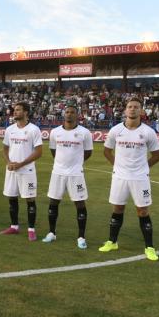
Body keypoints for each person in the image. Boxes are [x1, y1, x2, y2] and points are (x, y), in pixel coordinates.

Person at [100, 97, 159, 261]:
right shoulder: (115, 130)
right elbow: (106, 151)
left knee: (142, 210)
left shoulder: (148, 132)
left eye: (136, 107)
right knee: (118, 208)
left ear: (141, 111)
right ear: (125, 110)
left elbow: (157, 156)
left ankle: (149, 247)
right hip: (120, 177)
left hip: (140, 177)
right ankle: (112, 242)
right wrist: (117, 166)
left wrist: (143, 168)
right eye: (130, 106)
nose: (132, 109)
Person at [43, 105, 93, 249]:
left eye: (72, 112)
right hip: (58, 172)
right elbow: (53, 150)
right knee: (53, 201)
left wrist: (76, 163)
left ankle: (81, 237)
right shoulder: (55, 132)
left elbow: (88, 152)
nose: (69, 114)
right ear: (63, 114)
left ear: (77, 115)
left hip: (76, 174)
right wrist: (61, 164)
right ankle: (52, 233)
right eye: (67, 112)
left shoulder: (84, 132)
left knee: (80, 203)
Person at [0, 102, 43, 241]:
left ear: (26, 112)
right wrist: (8, 162)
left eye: (18, 110)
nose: (14, 112)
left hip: (27, 170)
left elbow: (38, 152)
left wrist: (21, 164)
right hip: (12, 170)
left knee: (30, 199)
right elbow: (5, 148)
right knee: (12, 197)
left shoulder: (34, 129)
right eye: (14, 110)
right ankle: (14, 227)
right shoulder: (9, 129)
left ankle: (31, 229)